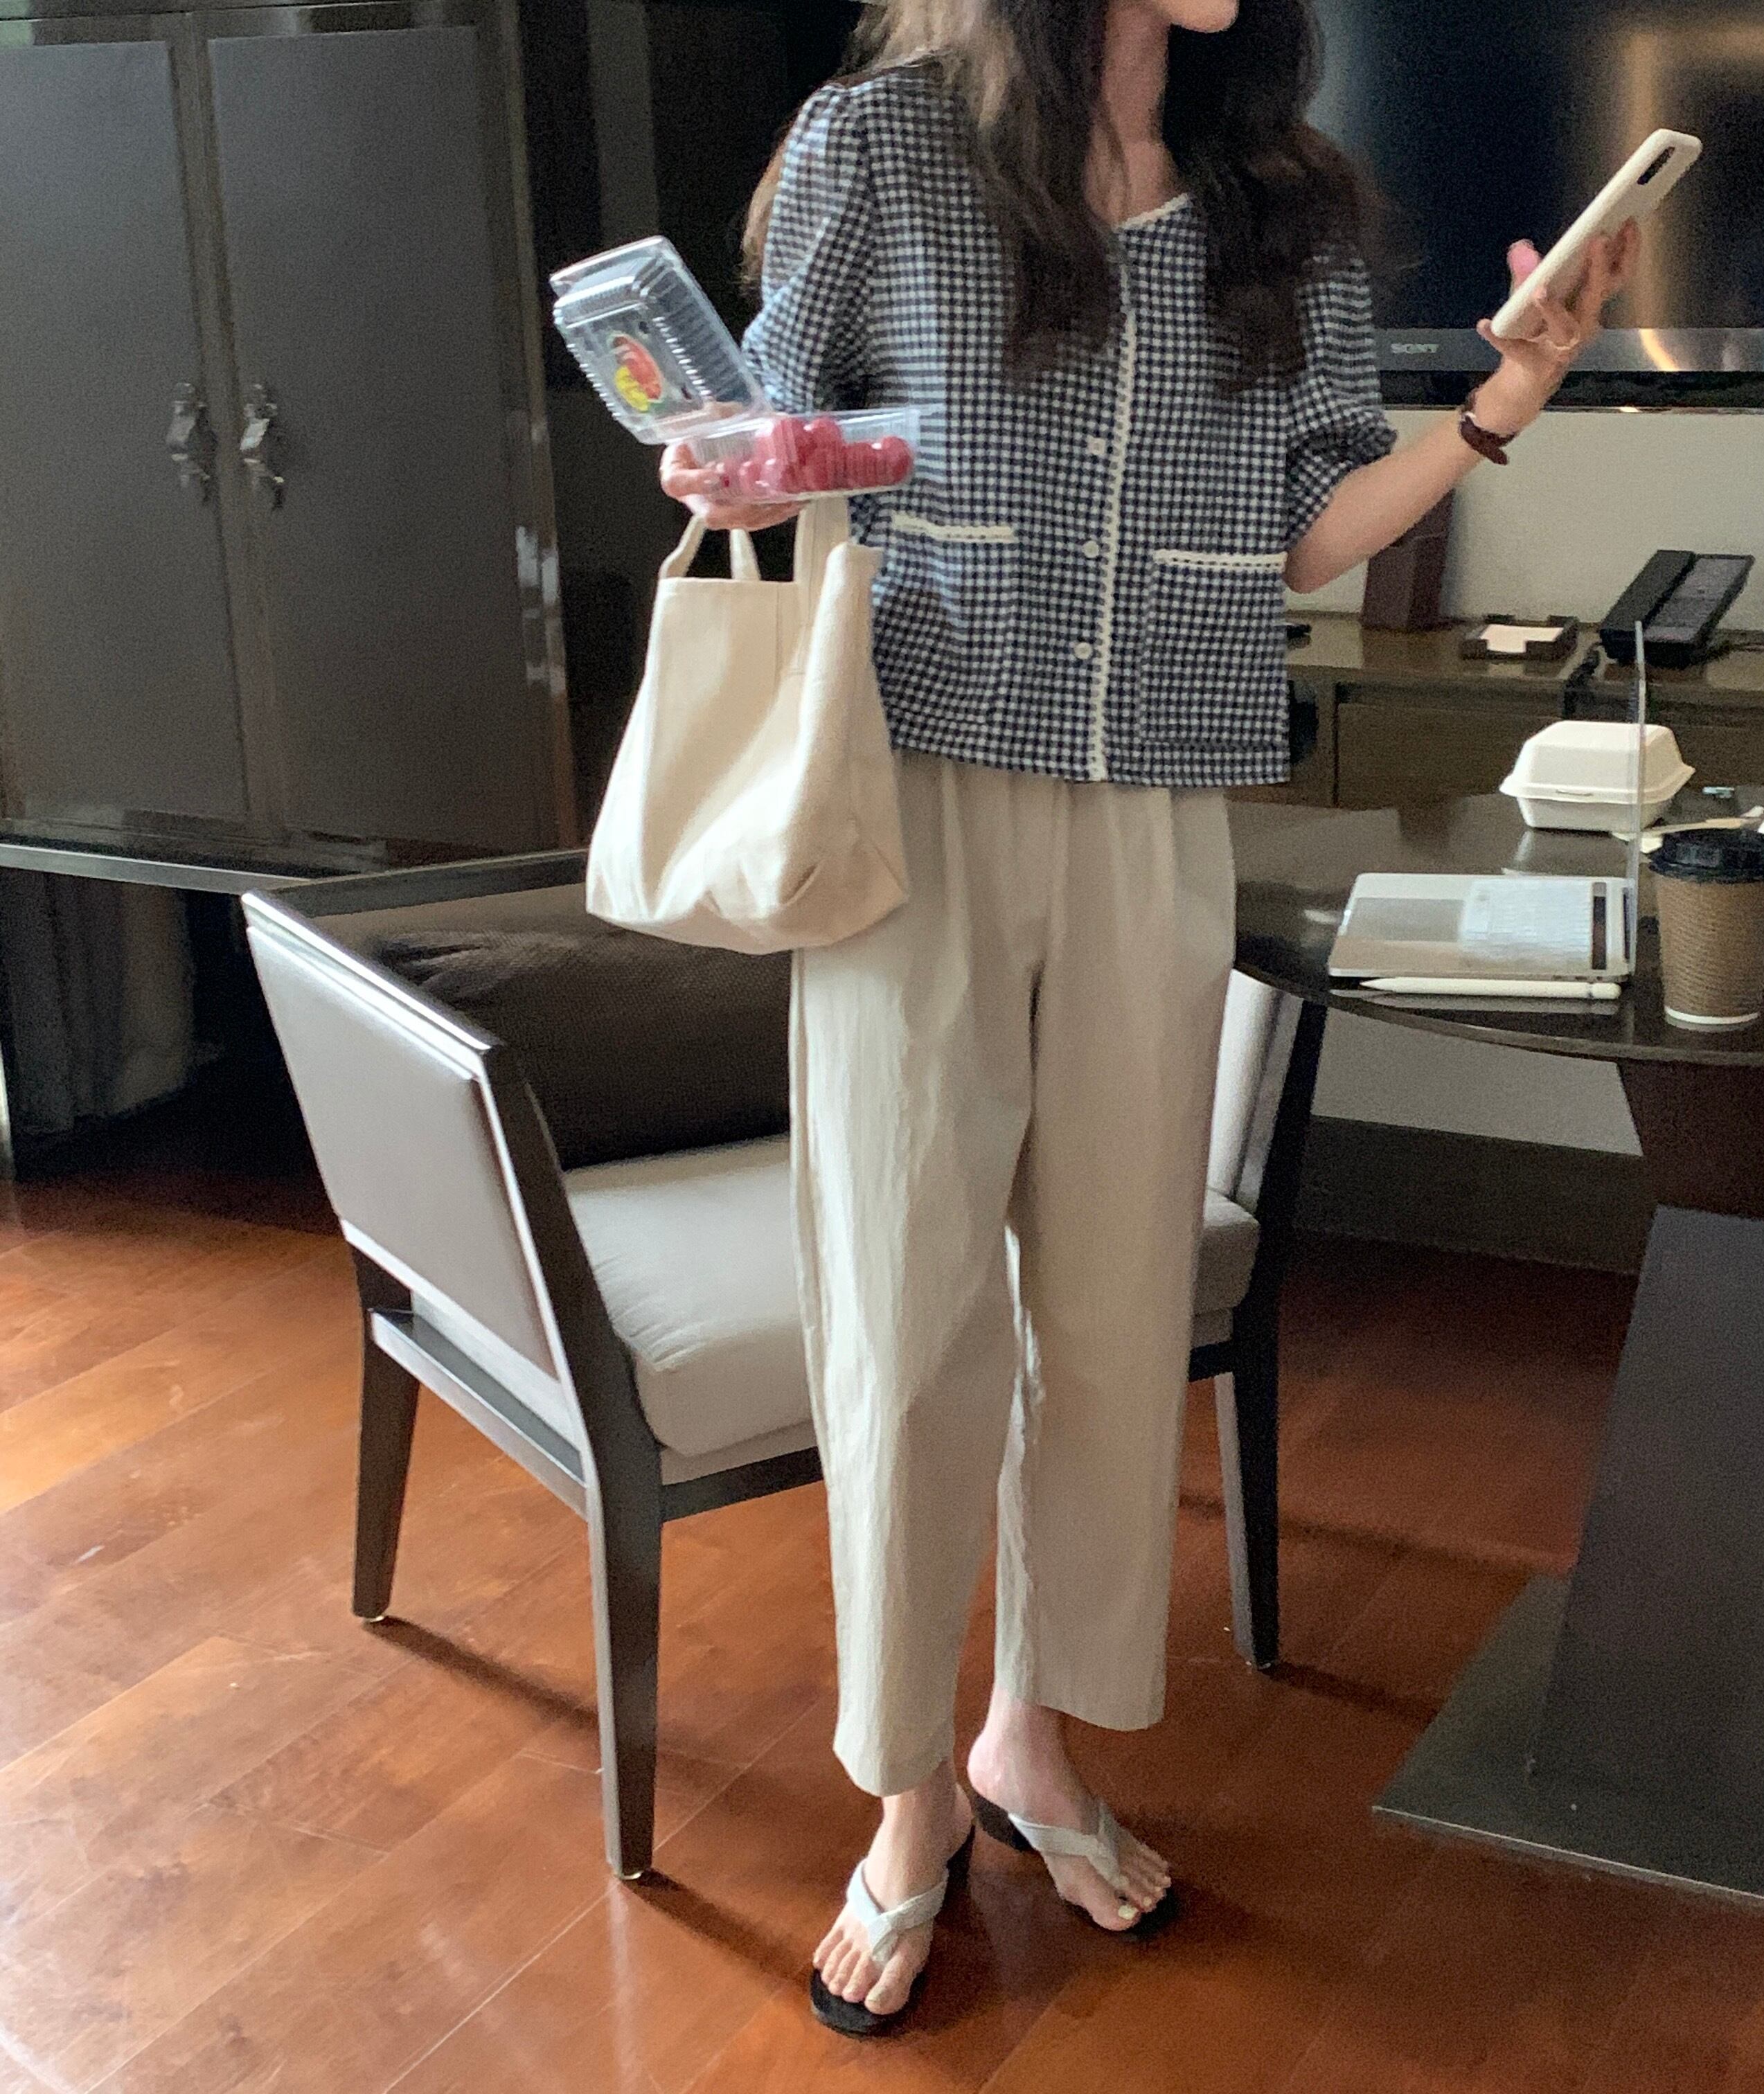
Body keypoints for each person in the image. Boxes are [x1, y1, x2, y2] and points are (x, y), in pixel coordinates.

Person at [661, 0, 1637, 2037]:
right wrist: (729, 467)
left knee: (1114, 1306)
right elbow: (758, 446)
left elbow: (1305, 527)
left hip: (1158, 806)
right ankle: (910, 1794)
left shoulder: (1285, 201)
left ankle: (1031, 1736)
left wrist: (1505, 402)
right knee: (907, 1301)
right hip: (917, 791)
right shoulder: (878, 149)